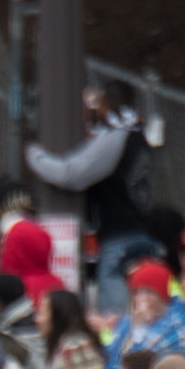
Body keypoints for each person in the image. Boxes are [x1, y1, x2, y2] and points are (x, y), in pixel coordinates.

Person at [23, 81, 158, 317]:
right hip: (138, 233)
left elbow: (71, 173)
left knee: (116, 320)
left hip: (119, 241)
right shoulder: (138, 135)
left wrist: (33, 155)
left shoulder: (116, 137)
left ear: (106, 105)